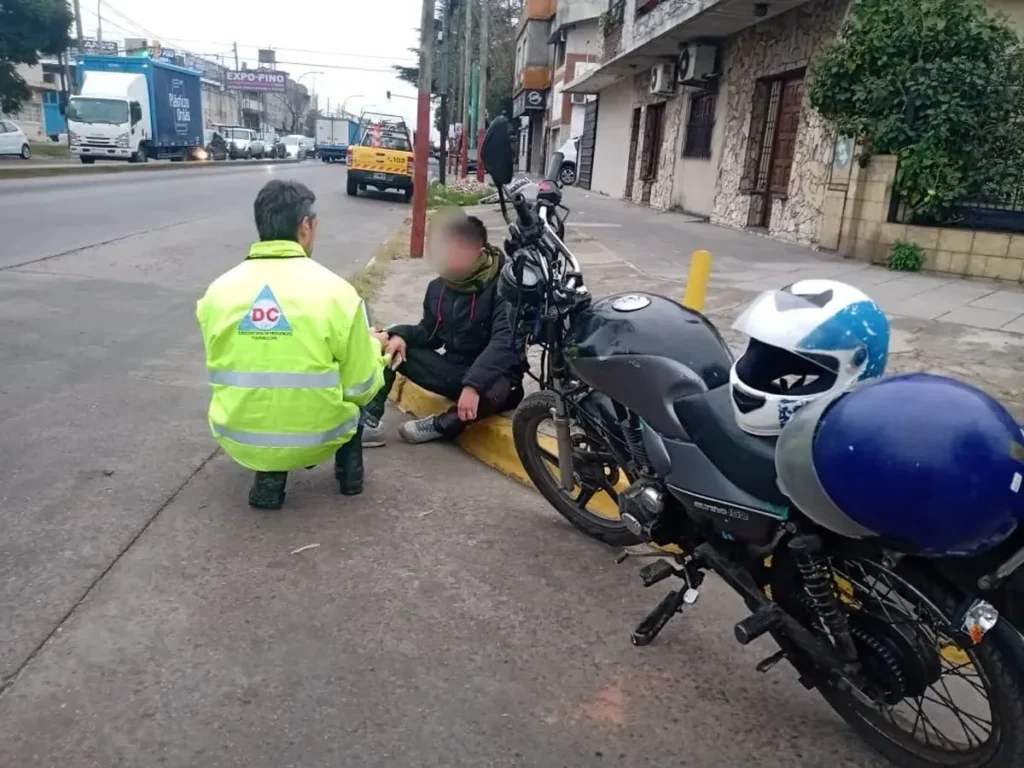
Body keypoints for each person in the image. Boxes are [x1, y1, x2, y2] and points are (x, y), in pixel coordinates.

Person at [196, 180, 388, 510]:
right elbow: (361, 387)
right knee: (374, 370)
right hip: (319, 436)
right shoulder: (337, 294)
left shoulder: (217, 293)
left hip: (239, 434)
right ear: (305, 226)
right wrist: (376, 348)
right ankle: (349, 471)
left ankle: (269, 478)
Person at [362, 214, 524, 445]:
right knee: (391, 347)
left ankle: (440, 426)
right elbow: (429, 334)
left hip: (494, 379)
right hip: (454, 371)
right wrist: (396, 335)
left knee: (499, 389)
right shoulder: (438, 288)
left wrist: (474, 385)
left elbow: (504, 343)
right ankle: (370, 423)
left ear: (479, 253)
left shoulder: (504, 287)